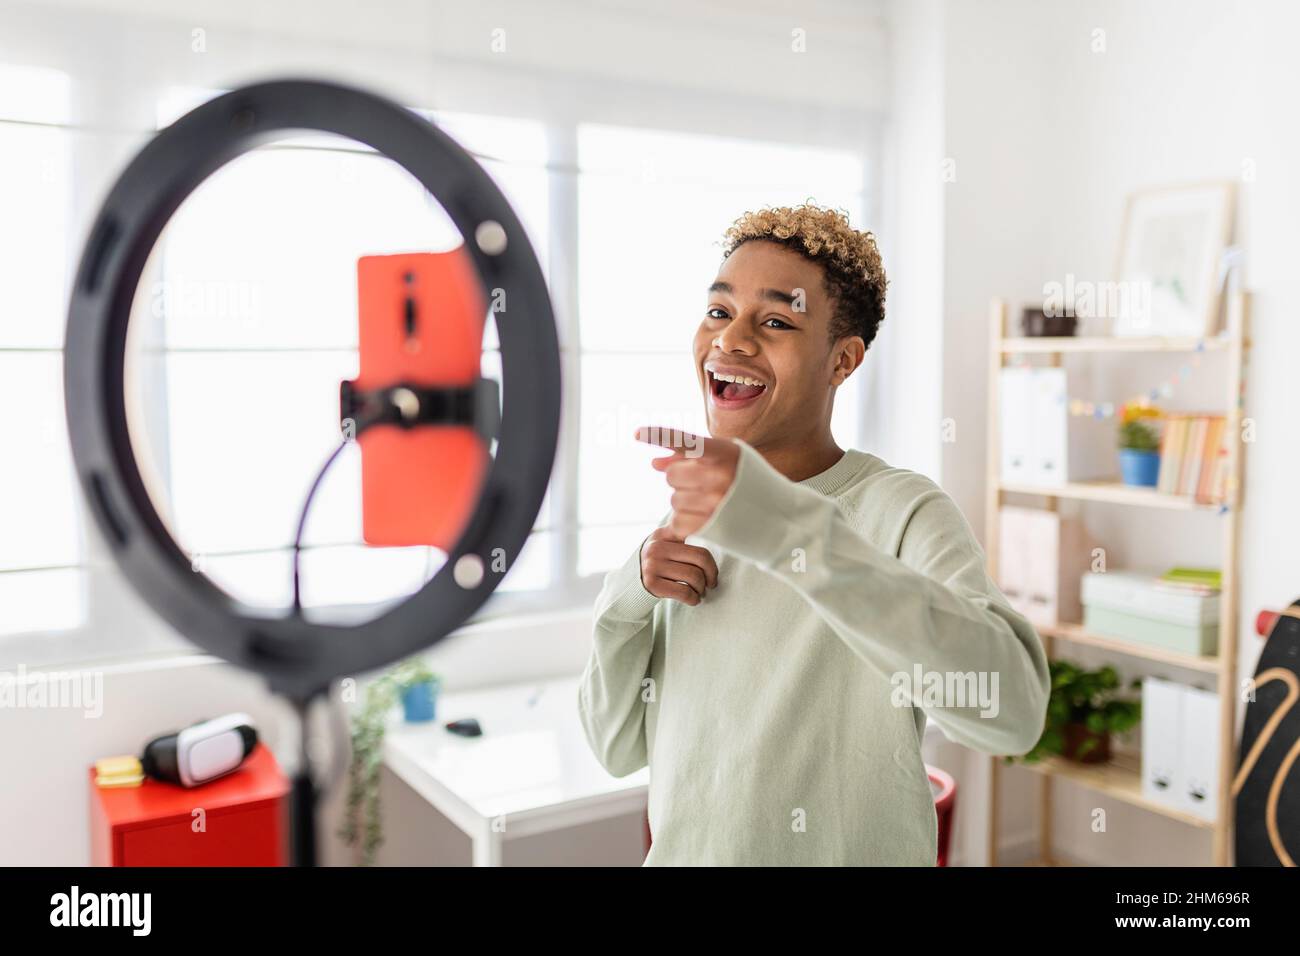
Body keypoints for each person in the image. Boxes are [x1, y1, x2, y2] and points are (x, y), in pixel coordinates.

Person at [578, 203, 1049, 865]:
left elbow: (1012, 711)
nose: (731, 340)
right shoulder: (693, 516)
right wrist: (629, 596)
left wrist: (784, 529)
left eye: (775, 321)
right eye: (719, 311)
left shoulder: (902, 510)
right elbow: (614, 747)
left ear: (842, 362)